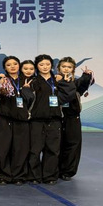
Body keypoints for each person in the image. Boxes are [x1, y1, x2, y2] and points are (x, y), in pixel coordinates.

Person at [27, 54, 77, 185]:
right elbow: (27, 100)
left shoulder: (57, 80)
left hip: (54, 120)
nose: (45, 67)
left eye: (48, 64)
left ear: (52, 66)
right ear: (37, 66)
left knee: (53, 150)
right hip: (36, 120)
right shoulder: (32, 81)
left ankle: (49, 176)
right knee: (35, 150)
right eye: (41, 65)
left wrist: (64, 82)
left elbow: (68, 96)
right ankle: (34, 176)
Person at [0, 56, 34, 185]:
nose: (12, 66)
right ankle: (2, 175)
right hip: (3, 119)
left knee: (20, 149)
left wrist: (26, 90)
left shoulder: (27, 80)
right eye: (9, 65)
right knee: (1, 148)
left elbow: (32, 100)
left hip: (22, 119)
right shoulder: (1, 79)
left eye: (15, 64)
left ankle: (19, 175)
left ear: (19, 66)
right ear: (4, 67)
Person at [57, 57, 94, 181]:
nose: (66, 69)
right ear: (58, 68)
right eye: (63, 67)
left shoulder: (76, 83)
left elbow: (83, 84)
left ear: (73, 69)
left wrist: (87, 76)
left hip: (73, 118)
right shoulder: (53, 81)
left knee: (73, 144)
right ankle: (54, 169)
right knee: (56, 145)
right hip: (56, 118)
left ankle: (68, 171)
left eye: (69, 67)